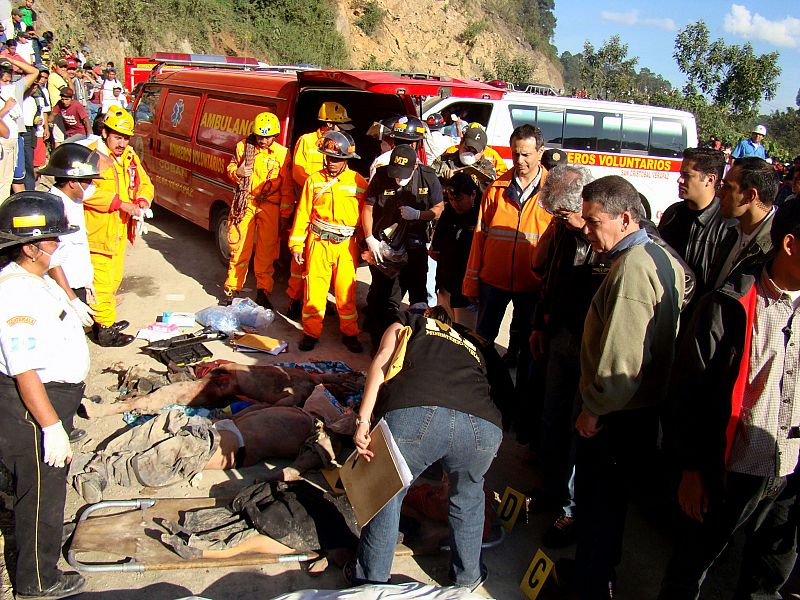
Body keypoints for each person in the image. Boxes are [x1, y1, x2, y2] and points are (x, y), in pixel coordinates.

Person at [659, 196, 800, 600]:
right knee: (691, 566)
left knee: (768, 573)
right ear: (789, 244)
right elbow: (688, 393)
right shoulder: (729, 305)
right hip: (729, 470)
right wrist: (691, 470)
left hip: (789, 471)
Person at [573, 175, 685, 598]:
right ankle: (599, 573)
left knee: (599, 504)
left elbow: (622, 357)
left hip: (618, 416)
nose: (586, 230)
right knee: (610, 504)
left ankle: (591, 583)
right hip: (634, 410)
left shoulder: (634, 268)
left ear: (624, 218)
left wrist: (594, 409)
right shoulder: (654, 255)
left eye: (592, 222)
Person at [350, 306, 503, 589]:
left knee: (387, 491)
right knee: (468, 496)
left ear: (427, 314)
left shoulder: (409, 322)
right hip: (483, 427)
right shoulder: (470, 344)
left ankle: (372, 578)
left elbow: (383, 359)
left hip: (418, 413)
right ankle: (468, 578)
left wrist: (363, 420)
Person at [0, 191, 88, 599]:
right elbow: (24, 369)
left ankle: (40, 558)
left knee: (43, 486)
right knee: (41, 491)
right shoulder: (17, 292)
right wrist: (51, 425)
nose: (58, 245)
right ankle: (37, 579)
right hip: (33, 405)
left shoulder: (34, 280)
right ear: (29, 246)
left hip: (52, 397)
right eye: (52, 240)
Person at [462, 124, 551, 345]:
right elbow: (479, 239)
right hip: (492, 282)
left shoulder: (552, 193)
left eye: (526, 154)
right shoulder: (495, 190)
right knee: (482, 341)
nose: (519, 160)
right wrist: (471, 282)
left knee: (526, 345)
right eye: (515, 154)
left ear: (541, 152)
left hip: (532, 286)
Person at [288, 130, 367, 353]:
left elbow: (365, 217)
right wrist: (297, 244)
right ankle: (311, 333)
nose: (332, 163)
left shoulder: (358, 182)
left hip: (346, 245)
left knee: (345, 293)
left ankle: (350, 333)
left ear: (346, 160)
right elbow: (303, 213)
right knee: (314, 290)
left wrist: (364, 244)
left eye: (337, 159)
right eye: (329, 157)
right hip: (318, 242)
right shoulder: (313, 181)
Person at [83, 106, 153, 346]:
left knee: (113, 280)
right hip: (99, 231)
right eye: (117, 137)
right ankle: (104, 330)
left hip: (120, 230)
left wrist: (142, 200)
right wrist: (121, 204)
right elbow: (84, 192)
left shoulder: (129, 156)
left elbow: (144, 182)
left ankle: (105, 319)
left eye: (125, 138)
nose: (122, 143)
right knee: (102, 282)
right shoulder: (91, 155)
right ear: (105, 133)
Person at [362, 144, 444, 349]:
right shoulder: (382, 175)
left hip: (415, 244)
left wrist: (419, 215)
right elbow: (368, 207)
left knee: (418, 296)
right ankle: (379, 342)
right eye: (395, 174)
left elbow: (439, 208)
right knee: (385, 295)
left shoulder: (428, 177)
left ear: (415, 165)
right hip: (385, 245)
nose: (398, 179)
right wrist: (370, 238)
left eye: (403, 174)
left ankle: (416, 346)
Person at [288, 101, 354, 320]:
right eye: (339, 125)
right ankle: (295, 300)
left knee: (325, 274)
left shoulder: (342, 147)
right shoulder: (307, 141)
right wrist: (319, 185)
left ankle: (319, 302)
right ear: (328, 123)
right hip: (313, 206)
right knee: (300, 267)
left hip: (328, 207)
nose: (342, 130)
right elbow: (298, 171)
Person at [224, 111, 293, 309]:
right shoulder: (243, 147)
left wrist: (284, 215)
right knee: (239, 248)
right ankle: (232, 290)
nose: (263, 140)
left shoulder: (282, 154)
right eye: (261, 136)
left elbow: (287, 186)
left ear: (275, 135)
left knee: (266, 252)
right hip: (246, 204)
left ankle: (263, 292)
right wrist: (237, 172)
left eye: (268, 136)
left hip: (270, 207)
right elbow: (230, 168)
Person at [38, 142, 103, 329]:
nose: (91, 185)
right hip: (63, 291)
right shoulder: (55, 209)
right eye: (87, 181)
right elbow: (52, 261)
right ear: (73, 181)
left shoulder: (74, 200)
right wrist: (72, 298)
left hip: (77, 286)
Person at [658, 148, 733, 299]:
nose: (680, 180)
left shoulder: (728, 225)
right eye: (680, 174)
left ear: (710, 179)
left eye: (687, 175)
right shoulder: (672, 214)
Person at [710, 157, 778, 289]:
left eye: (727, 188)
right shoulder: (731, 231)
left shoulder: (775, 250)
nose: (719, 193)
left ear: (750, 196)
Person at [429, 171, 480, 328]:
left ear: (473, 195)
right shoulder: (448, 213)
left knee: (465, 334)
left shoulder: (482, 215)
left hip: (468, 291)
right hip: (445, 284)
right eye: (451, 199)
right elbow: (434, 251)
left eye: (459, 199)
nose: (455, 204)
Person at [432, 122, 505, 185]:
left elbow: (489, 191)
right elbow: (429, 182)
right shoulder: (443, 160)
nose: (469, 154)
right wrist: (443, 180)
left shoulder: (487, 167)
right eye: (467, 148)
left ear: (483, 150)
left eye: (475, 151)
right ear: (461, 143)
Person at [368, 115, 426, 180]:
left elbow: (373, 187)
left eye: (384, 138)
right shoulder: (422, 168)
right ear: (414, 144)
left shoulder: (381, 161)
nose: (381, 142)